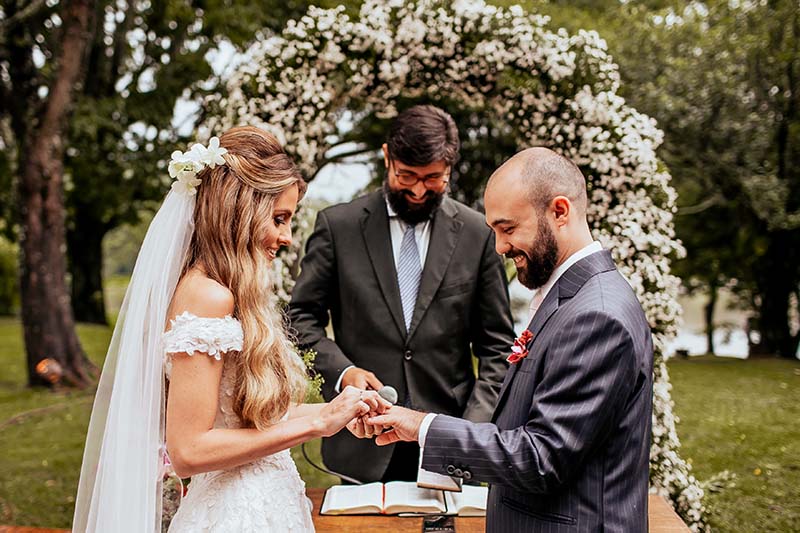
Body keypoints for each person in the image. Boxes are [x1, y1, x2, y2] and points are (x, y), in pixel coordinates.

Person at [72, 126, 389, 532]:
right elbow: (189, 449)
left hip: (266, 506)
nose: (287, 237)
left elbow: (243, 420)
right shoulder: (206, 296)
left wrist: (337, 410)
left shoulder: (230, 294)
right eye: (278, 218)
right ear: (241, 209)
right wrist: (316, 425)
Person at [363, 147, 655, 532]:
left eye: (509, 228)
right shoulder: (571, 297)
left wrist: (423, 428)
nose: (500, 247)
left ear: (560, 211)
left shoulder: (596, 315)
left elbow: (541, 458)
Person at [288, 105, 515, 483]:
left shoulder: (479, 235)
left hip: (447, 437)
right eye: (406, 175)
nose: (417, 190)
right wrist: (343, 373)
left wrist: (471, 431)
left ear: (449, 169)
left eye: (433, 179)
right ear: (386, 157)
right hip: (363, 439)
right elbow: (300, 317)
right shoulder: (337, 226)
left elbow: (497, 346)